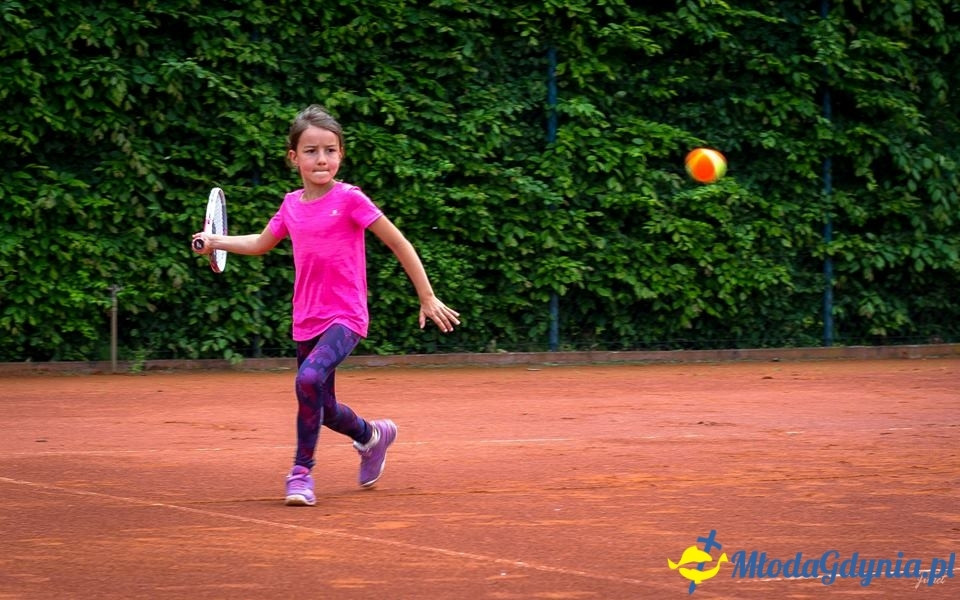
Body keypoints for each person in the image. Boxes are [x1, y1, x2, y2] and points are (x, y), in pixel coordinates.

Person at [192, 105, 460, 506]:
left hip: (346, 316)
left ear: (341, 155)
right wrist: (216, 242)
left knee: (307, 381)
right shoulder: (290, 205)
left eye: (330, 151)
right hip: (306, 318)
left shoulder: (351, 199)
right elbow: (261, 242)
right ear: (293, 157)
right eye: (312, 151)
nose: (322, 159)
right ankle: (372, 436)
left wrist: (426, 295)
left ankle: (301, 473)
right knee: (323, 403)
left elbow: (398, 242)